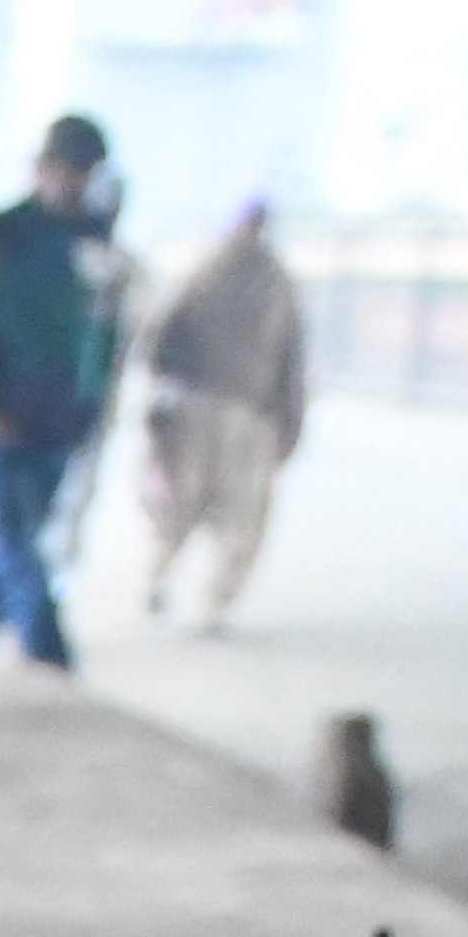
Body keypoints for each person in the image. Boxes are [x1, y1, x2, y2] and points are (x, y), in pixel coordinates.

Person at [0, 116, 124, 670]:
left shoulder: (97, 247)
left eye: (85, 173)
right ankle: (49, 654)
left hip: (58, 423)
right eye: (66, 170)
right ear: (41, 169)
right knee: (16, 536)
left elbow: (105, 340)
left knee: (20, 535)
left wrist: (88, 410)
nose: (75, 184)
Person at [139, 193, 310, 626]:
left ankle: (190, 587)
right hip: (225, 410)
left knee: (211, 505)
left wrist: (290, 421)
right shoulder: (250, 278)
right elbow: (292, 360)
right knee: (212, 507)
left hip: (227, 409)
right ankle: (186, 590)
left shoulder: (221, 274)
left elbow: (159, 331)